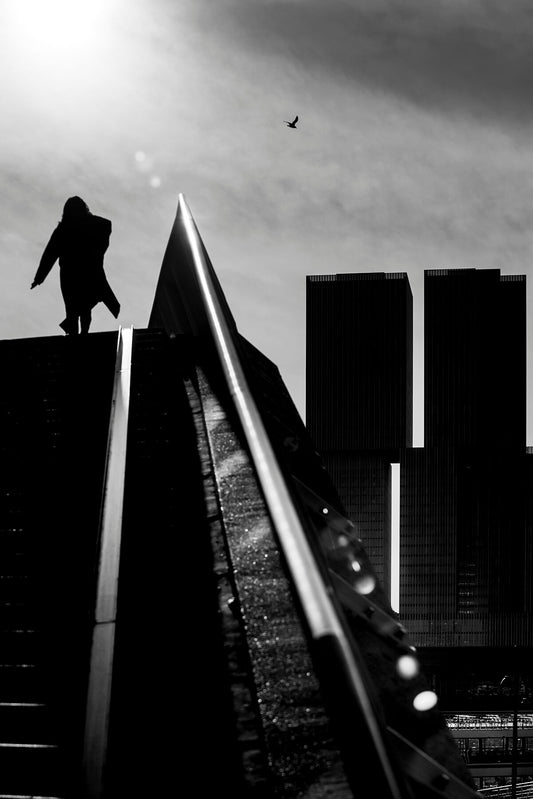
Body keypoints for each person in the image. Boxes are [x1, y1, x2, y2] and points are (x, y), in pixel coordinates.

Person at [31, 196, 120, 335]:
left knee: (78, 307)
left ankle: (78, 334)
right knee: (80, 307)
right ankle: (79, 334)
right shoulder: (67, 229)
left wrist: (39, 278)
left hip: (76, 273)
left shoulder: (65, 229)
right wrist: (39, 278)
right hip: (77, 273)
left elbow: (49, 254)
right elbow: (50, 254)